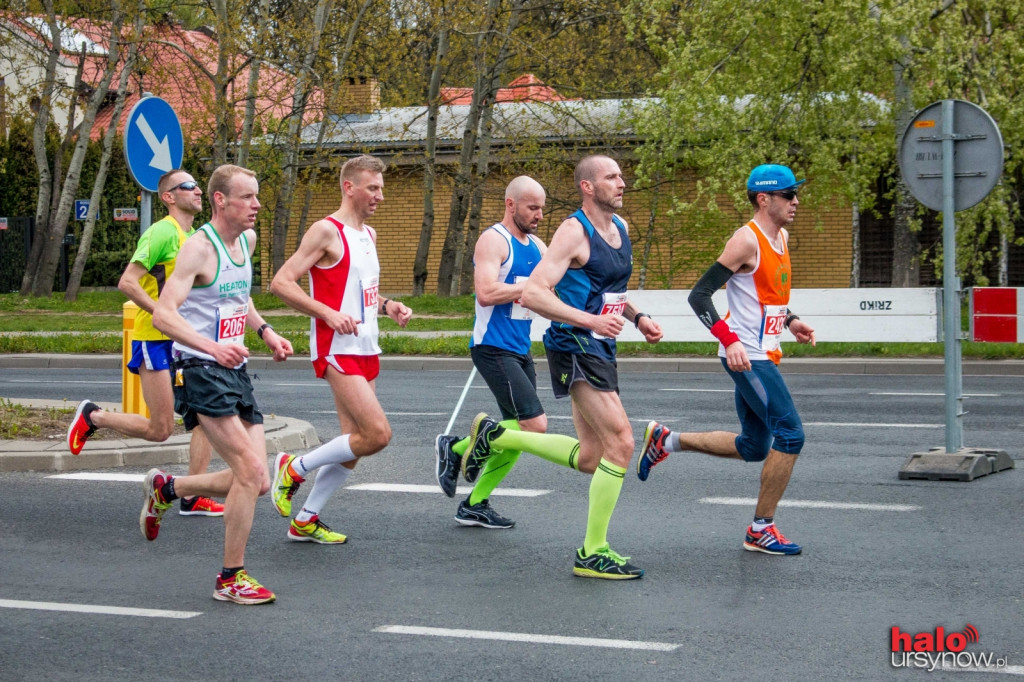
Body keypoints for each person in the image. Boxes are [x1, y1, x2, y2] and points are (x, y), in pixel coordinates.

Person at [460, 155, 663, 580]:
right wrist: (590, 321)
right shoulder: (573, 232)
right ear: (588, 187)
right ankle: (592, 551)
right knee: (622, 443)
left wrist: (638, 317)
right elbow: (534, 293)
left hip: (600, 344)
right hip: (574, 344)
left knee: (591, 457)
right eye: (612, 177)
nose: (622, 183)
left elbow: (613, 293)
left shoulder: (620, 229)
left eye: (622, 175)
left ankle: (497, 435)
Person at [636, 163, 816, 556]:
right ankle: (760, 529)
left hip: (764, 352)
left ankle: (667, 440)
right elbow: (699, 296)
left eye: (795, 193)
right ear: (764, 198)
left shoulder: (781, 237)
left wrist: (791, 320)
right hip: (747, 357)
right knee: (791, 435)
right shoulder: (745, 241)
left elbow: (764, 297)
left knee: (754, 446)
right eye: (789, 195)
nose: (796, 201)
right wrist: (729, 339)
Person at [142, 164, 293, 605]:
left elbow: (236, 296)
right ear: (220, 200)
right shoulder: (197, 249)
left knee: (260, 480)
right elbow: (164, 314)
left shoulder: (245, 241)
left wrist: (265, 331)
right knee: (249, 471)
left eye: (257, 196)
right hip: (202, 370)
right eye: (247, 197)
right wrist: (211, 346)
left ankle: (168, 489)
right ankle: (230, 578)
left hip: (234, 369)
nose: (257, 205)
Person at [268, 154, 411, 545]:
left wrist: (387, 305)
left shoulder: (369, 234)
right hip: (336, 347)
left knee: (352, 446)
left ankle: (306, 519)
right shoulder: (325, 231)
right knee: (378, 434)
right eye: (373, 188)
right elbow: (282, 282)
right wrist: (327, 314)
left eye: (381, 188)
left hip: (367, 345)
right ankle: (293, 467)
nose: (380, 196)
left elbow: (361, 290)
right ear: (350, 187)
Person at [66, 169, 222, 518]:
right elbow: (128, 282)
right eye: (189, 186)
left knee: (205, 418)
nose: (199, 191)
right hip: (154, 339)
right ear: (168, 196)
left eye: (198, 185)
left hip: (185, 343)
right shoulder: (161, 232)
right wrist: (163, 313)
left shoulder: (195, 236)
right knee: (161, 429)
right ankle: (94, 416)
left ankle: (193, 494)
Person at [433, 176, 552, 528]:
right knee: (535, 425)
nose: (540, 215)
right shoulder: (493, 240)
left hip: (520, 348)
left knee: (517, 431)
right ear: (510, 204)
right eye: (533, 207)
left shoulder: (539, 247)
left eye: (542, 207)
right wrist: (529, 288)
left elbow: (549, 293)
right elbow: (485, 292)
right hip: (492, 347)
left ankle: (475, 501)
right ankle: (455, 449)